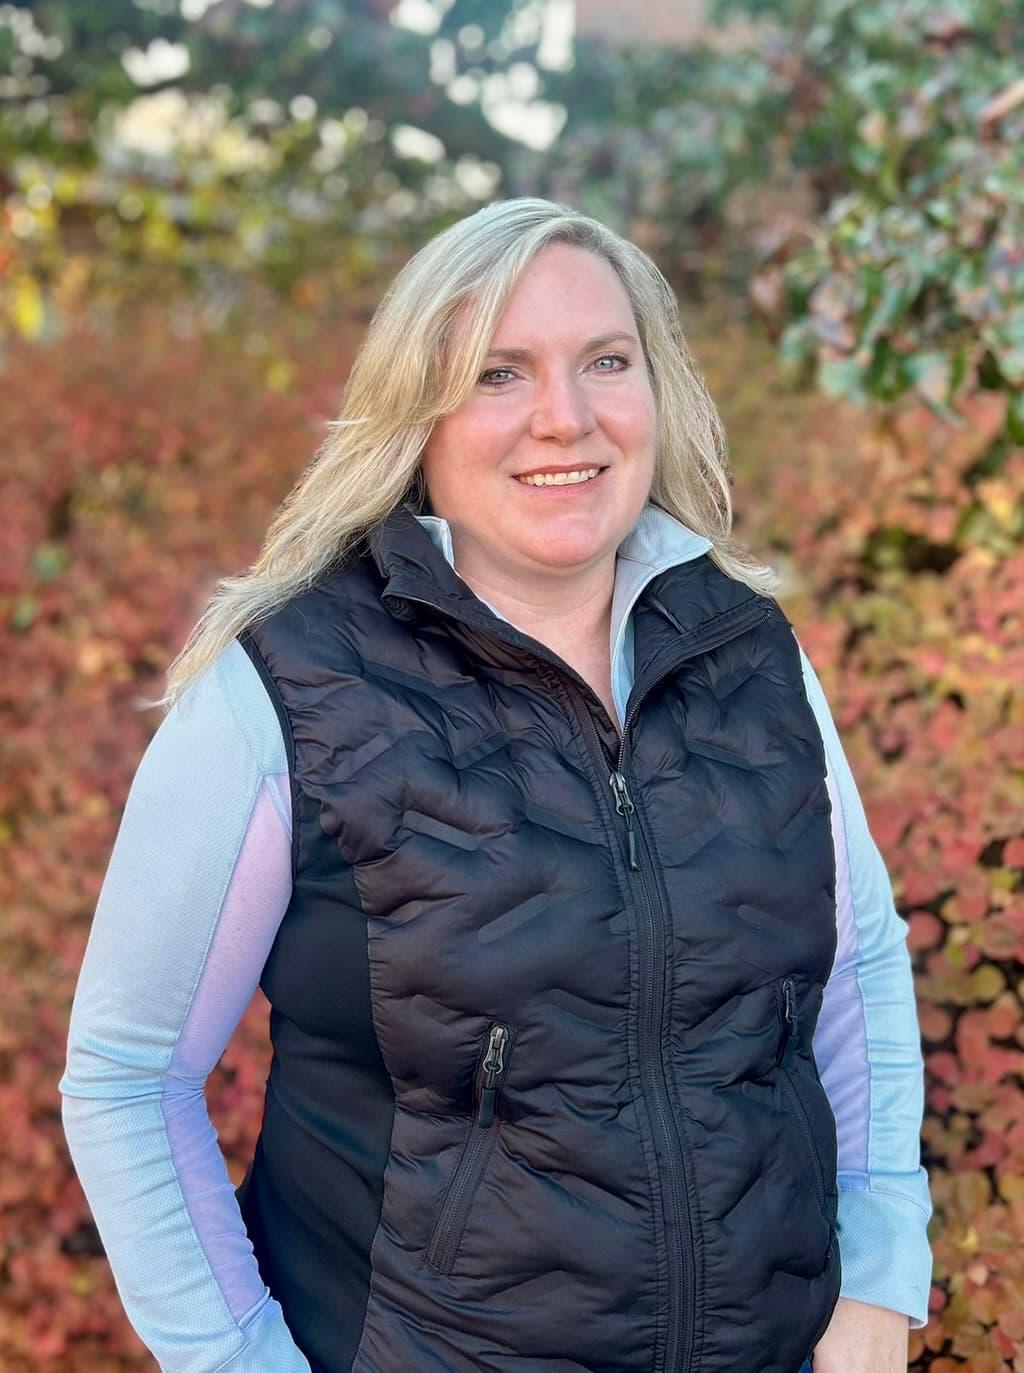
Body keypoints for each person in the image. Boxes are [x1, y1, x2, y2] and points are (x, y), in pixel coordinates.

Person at [59, 198, 932, 1373]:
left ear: (656, 388)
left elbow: (857, 961)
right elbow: (128, 1076)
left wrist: (878, 1273)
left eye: (604, 361)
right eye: (496, 373)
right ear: (415, 413)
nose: (563, 418)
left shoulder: (749, 652)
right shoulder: (285, 690)